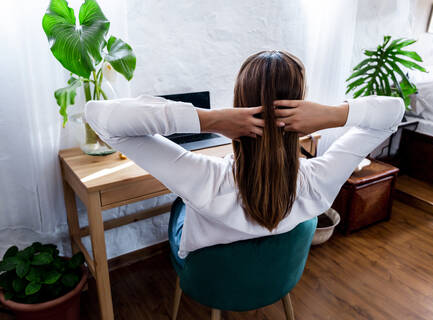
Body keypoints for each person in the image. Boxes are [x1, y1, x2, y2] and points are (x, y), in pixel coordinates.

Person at [85, 50, 404, 259]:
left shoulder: (203, 179)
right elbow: (393, 112)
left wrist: (210, 119)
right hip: (277, 276)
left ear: (239, 99)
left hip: (208, 279)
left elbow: (102, 120)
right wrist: (335, 114)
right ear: (303, 107)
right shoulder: (319, 180)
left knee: (181, 206)